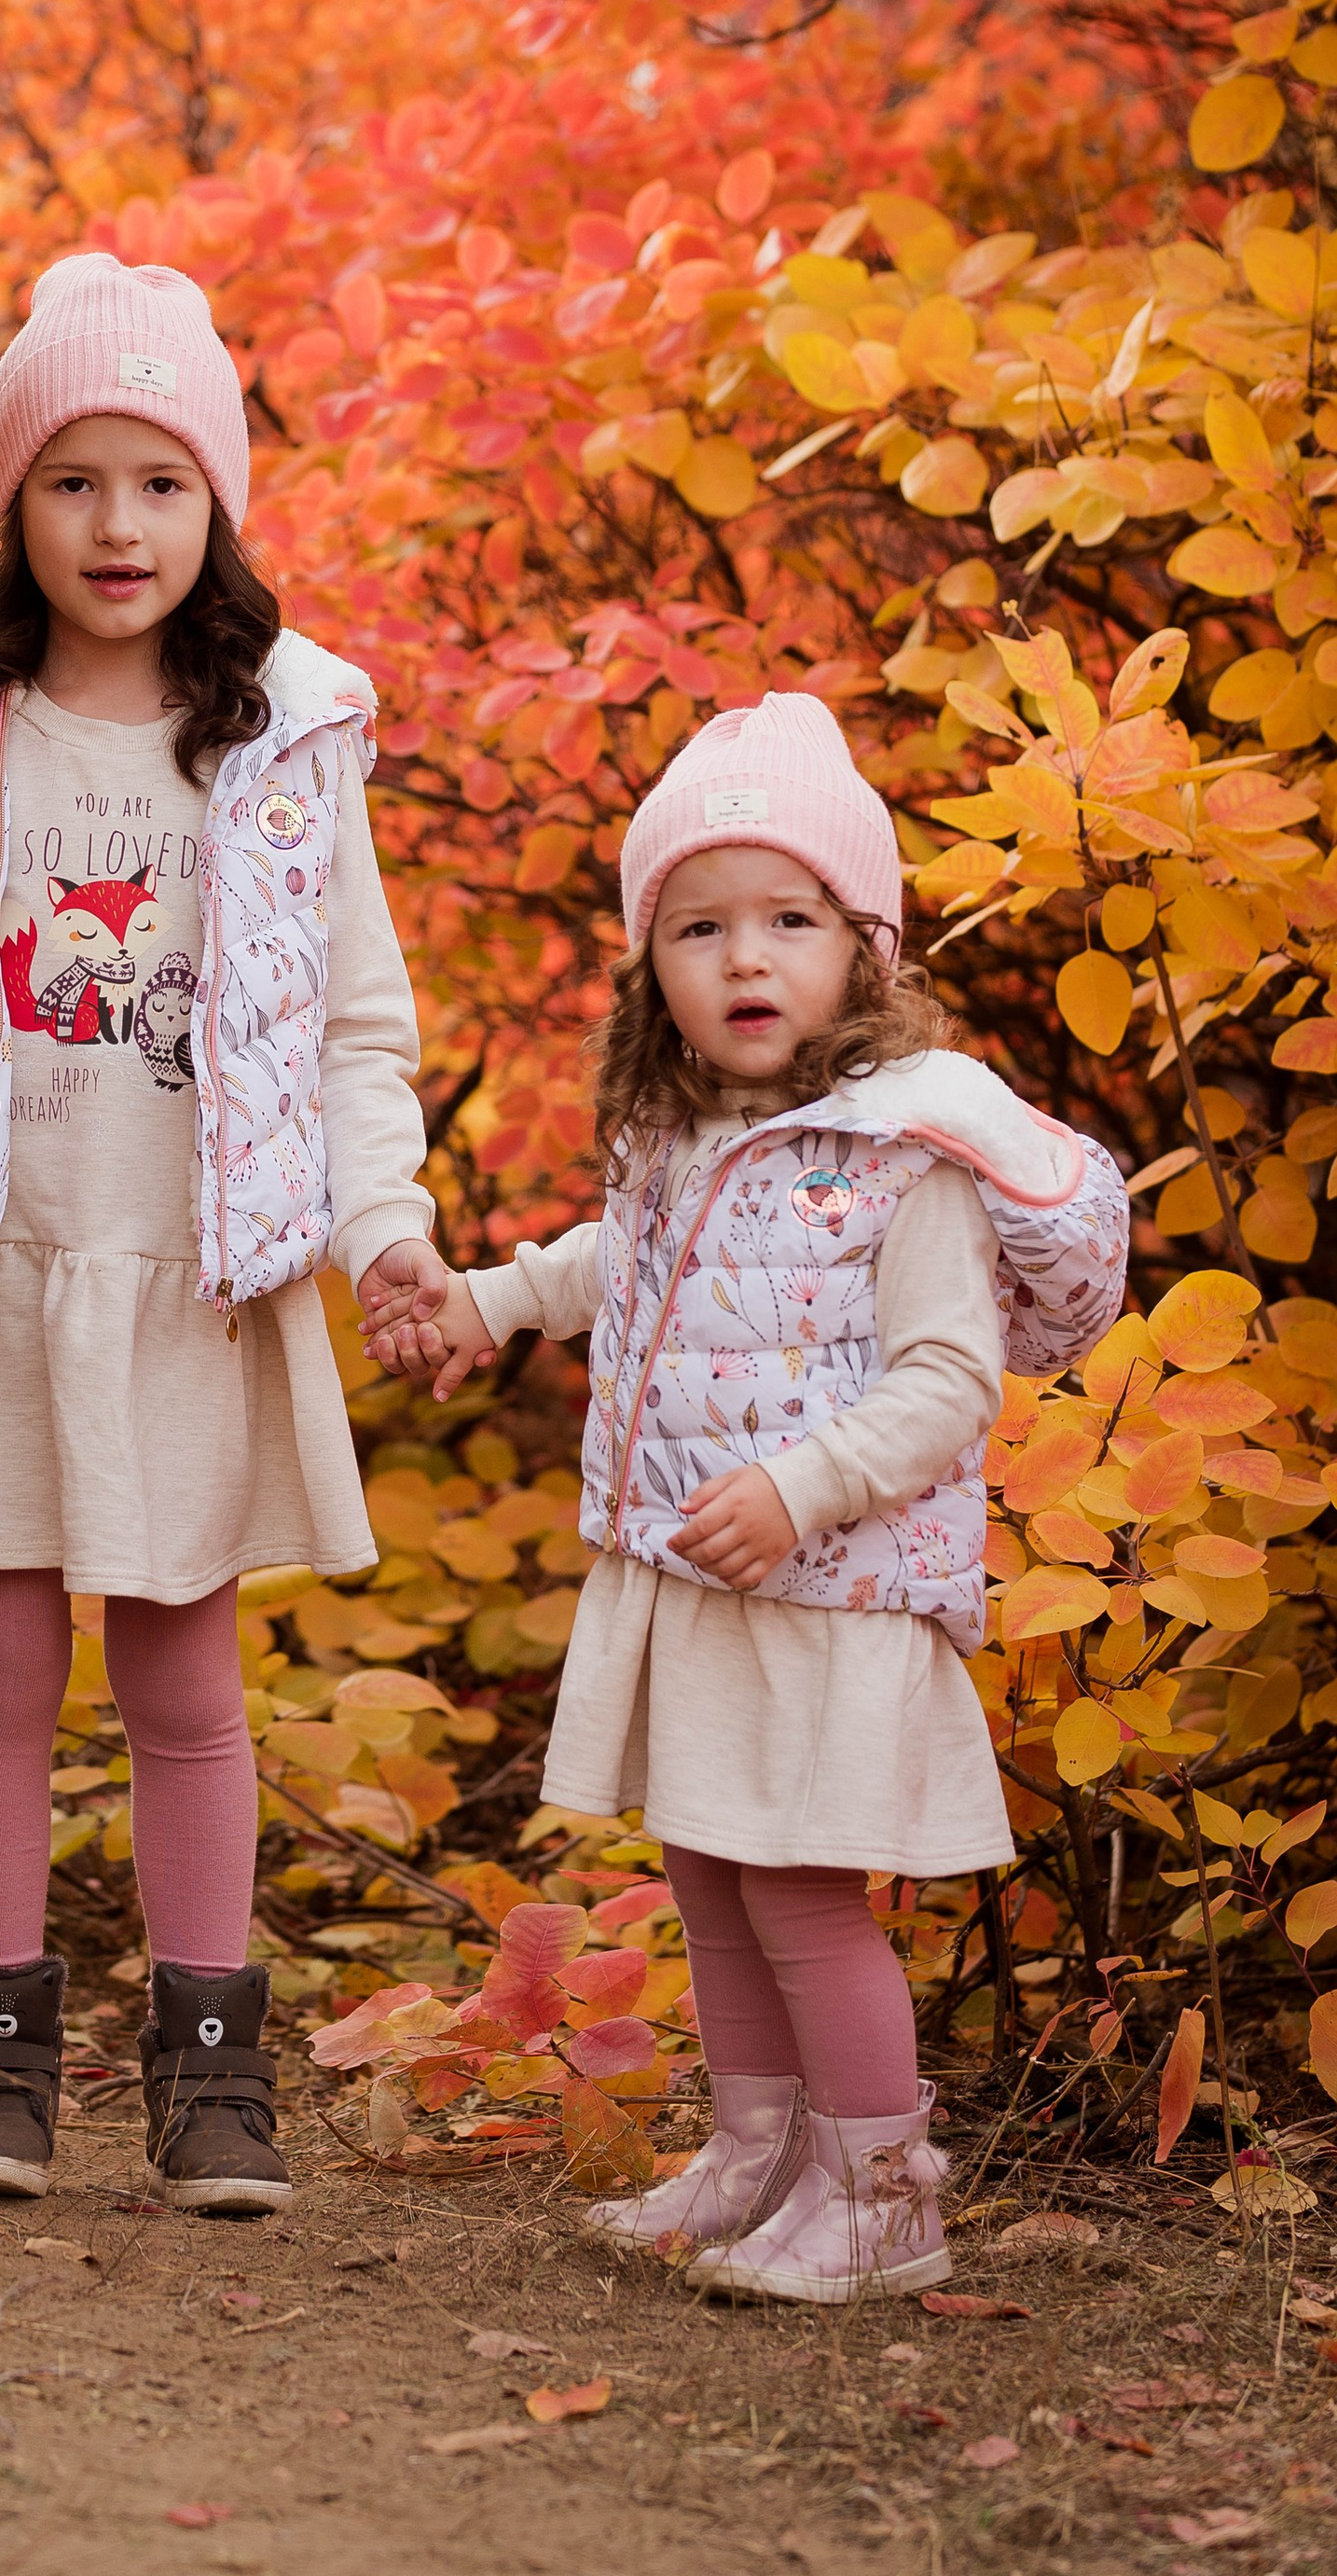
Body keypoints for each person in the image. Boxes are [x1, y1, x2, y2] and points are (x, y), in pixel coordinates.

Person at [0, 251, 447, 2214]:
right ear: (14, 500)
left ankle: (208, 2056)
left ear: (217, 500)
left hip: (192, 1286)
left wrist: (382, 1224)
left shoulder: (282, 738)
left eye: (159, 479)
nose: (115, 523)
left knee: (181, 1688)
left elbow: (352, 1024)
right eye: (71, 478)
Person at [367, 692, 1127, 2301]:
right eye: (700, 927)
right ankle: (755, 2155)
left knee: (797, 1889)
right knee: (708, 1866)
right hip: (705, 1579)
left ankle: (880, 2192)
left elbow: (946, 1381)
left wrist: (800, 1487)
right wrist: (496, 1302)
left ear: (865, 946)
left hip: (829, 1589)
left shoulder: (908, 1155)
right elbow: (624, 1265)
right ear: (654, 963)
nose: (746, 959)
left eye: (791, 919)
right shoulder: (683, 1130)